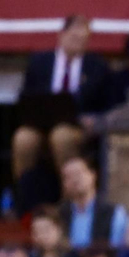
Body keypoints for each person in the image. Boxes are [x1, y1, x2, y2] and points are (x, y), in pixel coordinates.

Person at [12, 15, 107, 191]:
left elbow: (105, 104)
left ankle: (68, 196)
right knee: (23, 138)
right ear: (61, 35)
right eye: (74, 37)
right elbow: (26, 96)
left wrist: (94, 120)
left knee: (61, 136)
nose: (78, 42)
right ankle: (24, 195)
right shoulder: (40, 62)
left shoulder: (97, 66)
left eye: (83, 39)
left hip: (77, 127)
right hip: (40, 124)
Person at [58, 156, 127, 249]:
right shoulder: (60, 214)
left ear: (92, 175)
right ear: (64, 184)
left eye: (79, 174)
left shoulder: (113, 212)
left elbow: (117, 248)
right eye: (68, 177)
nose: (75, 180)